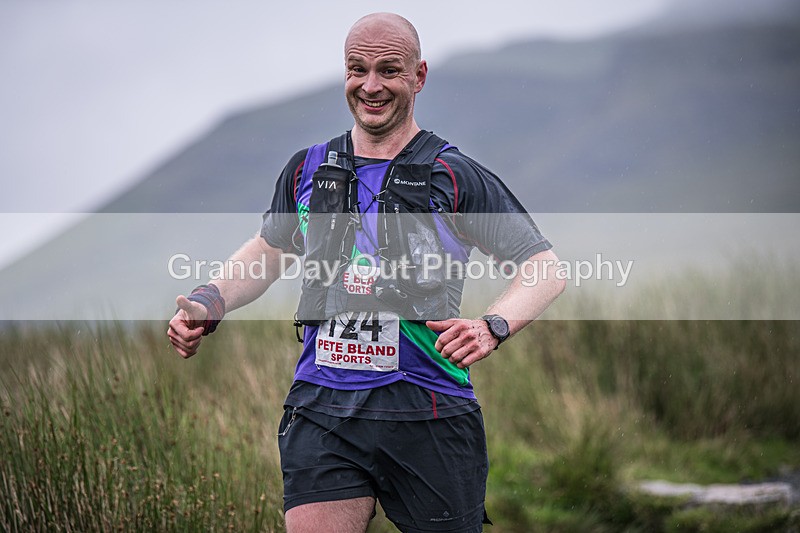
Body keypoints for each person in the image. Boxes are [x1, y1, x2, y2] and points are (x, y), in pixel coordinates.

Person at [168, 12, 565, 533]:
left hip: (428, 409)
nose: (370, 85)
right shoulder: (308, 168)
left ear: (418, 77)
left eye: (388, 70)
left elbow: (544, 268)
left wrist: (491, 326)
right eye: (357, 69)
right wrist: (209, 301)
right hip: (322, 407)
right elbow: (268, 250)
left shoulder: (454, 175)